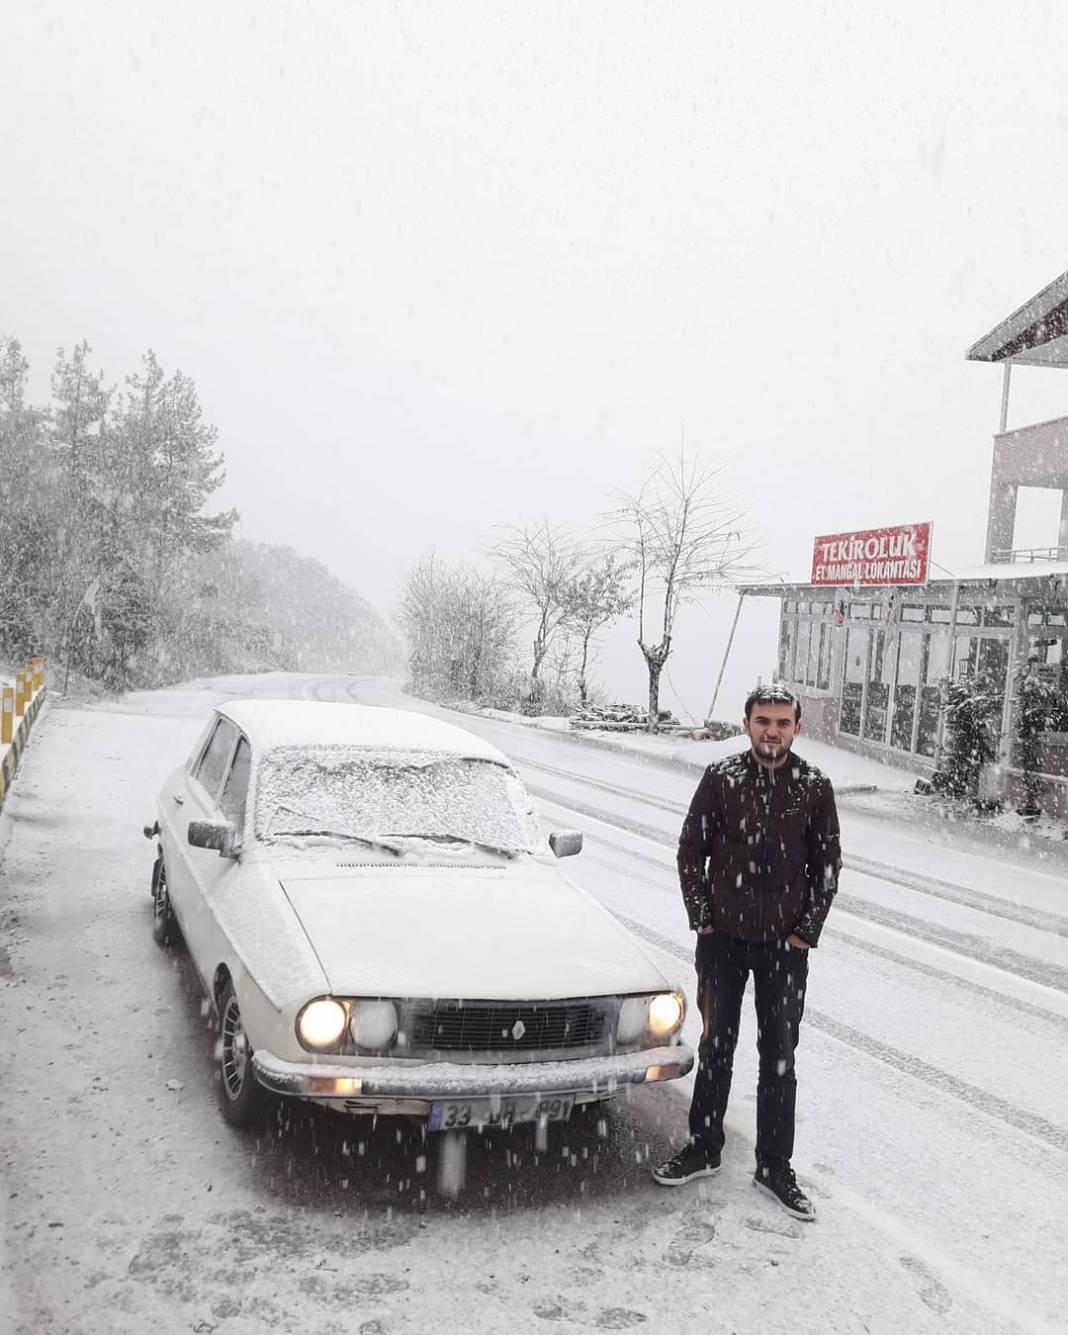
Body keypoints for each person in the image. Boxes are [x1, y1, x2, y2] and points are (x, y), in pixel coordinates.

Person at [651, 685, 841, 1221]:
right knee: (717, 1047)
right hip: (725, 944)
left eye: (782, 722)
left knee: (779, 1058)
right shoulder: (721, 780)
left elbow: (827, 866)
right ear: (747, 723)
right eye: (763, 720)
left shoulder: (813, 787)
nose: (772, 730)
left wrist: (805, 930)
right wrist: (704, 918)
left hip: (785, 948)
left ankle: (775, 1166)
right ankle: (704, 1146)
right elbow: (692, 851)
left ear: (796, 728)